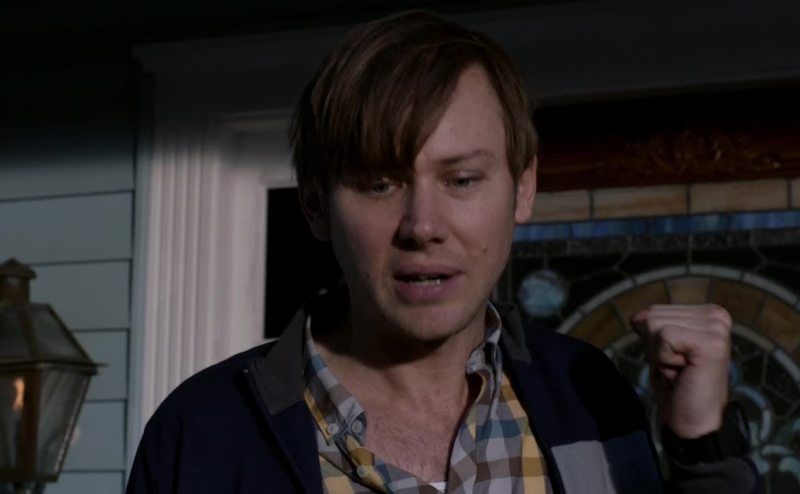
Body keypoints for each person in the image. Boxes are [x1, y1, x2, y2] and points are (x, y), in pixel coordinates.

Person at [127, 11, 759, 494]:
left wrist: (702, 449)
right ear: (316, 205)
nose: (423, 226)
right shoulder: (200, 435)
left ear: (524, 188)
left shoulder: (590, 394)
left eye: (461, 180)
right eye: (379, 184)